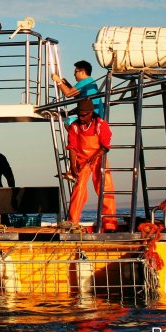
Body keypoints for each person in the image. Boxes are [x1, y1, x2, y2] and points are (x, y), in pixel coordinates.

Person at [66, 99, 117, 232]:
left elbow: (105, 146)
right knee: (79, 188)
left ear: (90, 113)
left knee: (106, 189)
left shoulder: (101, 124)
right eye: (79, 115)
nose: (80, 118)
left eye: (83, 115)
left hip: (99, 158)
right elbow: (72, 147)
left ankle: (110, 223)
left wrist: (93, 158)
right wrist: (73, 165)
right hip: (82, 160)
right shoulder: (75, 126)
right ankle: (73, 221)